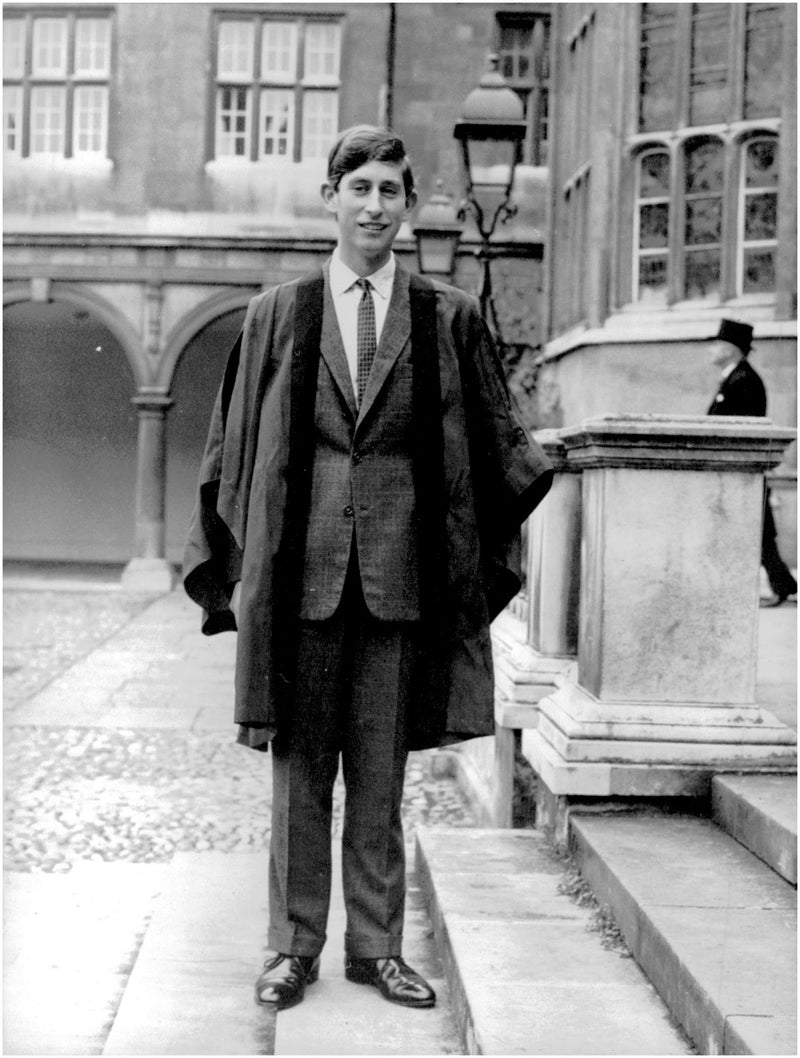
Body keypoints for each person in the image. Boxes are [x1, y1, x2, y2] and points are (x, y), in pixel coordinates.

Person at [183, 125, 553, 1012]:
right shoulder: (280, 313)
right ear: (331, 198)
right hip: (302, 576)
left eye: (392, 191)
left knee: (382, 776)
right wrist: (235, 565)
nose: (376, 206)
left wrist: (472, 565)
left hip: (399, 579)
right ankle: (292, 947)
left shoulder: (447, 316)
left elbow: (497, 446)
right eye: (361, 190)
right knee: (300, 775)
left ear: (408, 203)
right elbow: (233, 446)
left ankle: (377, 948)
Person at [707, 317, 797, 607]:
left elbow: (736, 428)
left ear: (732, 349)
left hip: (741, 471)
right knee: (759, 531)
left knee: (757, 530)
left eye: (718, 344)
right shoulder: (736, 377)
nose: (712, 350)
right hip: (739, 471)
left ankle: (780, 585)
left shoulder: (742, 380)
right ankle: (782, 585)